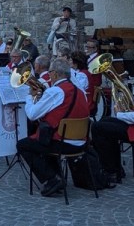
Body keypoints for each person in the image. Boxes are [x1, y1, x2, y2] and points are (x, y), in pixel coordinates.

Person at [16, 57, 91, 197]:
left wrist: (29, 97)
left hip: (63, 142)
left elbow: (32, 114)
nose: (49, 75)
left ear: (55, 73)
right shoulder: (79, 90)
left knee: (23, 145)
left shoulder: (56, 91)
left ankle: (51, 179)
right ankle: (57, 175)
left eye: (50, 72)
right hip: (81, 141)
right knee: (44, 140)